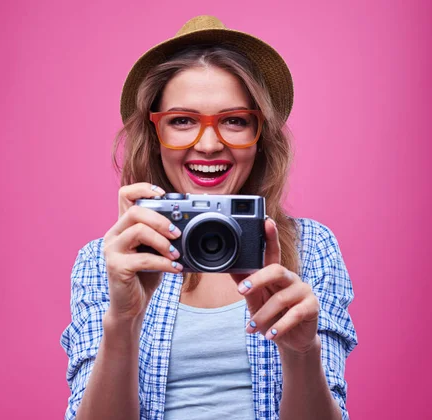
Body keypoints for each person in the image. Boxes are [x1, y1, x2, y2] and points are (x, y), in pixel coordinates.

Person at [60, 15, 358, 420]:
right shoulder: (106, 263)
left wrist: (301, 353)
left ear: (260, 136)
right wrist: (123, 321)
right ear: (154, 134)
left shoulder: (311, 250)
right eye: (182, 121)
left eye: (234, 121)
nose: (210, 144)